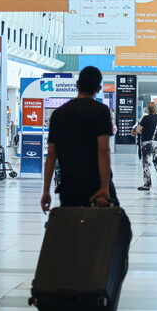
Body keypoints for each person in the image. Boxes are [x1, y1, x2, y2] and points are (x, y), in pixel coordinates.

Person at [40, 66, 117, 211]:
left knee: (72, 229)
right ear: (99, 89)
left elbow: (51, 155)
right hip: (96, 184)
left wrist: (46, 191)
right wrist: (105, 186)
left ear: (77, 85)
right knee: (105, 229)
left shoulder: (59, 114)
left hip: (69, 185)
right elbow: (103, 149)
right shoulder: (101, 111)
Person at [134, 102, 157, 191]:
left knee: (146, 163)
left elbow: (138, 130)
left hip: (147, 142)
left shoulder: (146, 118)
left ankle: (147, 184)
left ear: (148, 109)